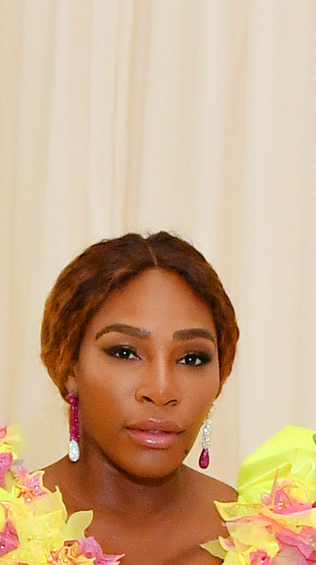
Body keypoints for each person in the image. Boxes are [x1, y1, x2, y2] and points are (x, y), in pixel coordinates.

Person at [39, 231, 239, 564]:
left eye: (192, 358)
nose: (161, 391)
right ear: (70, 366)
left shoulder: (270, 540)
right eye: (125, 352)